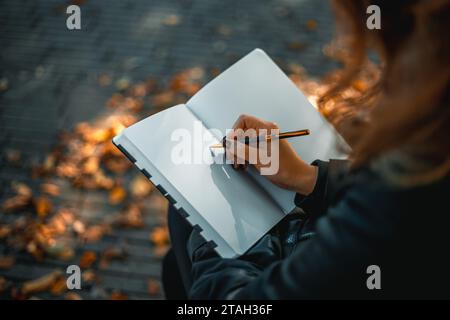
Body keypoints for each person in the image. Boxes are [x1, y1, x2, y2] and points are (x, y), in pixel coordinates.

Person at [162, 0, 450, 299]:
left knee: (183, 224)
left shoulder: (412, 174)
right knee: (176, 262)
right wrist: (311, 178)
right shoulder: (432, 137)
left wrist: (215, 227)